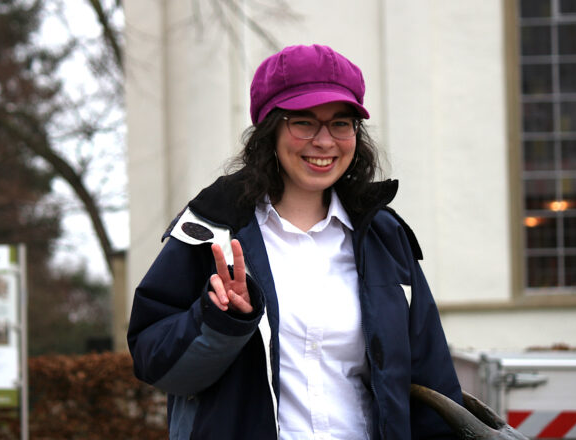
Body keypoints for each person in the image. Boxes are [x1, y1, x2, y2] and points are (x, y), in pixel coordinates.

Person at [127, 44, 463, 439]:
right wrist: (219, 322)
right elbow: (157, 366)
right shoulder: (212, 231)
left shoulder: (384, 239)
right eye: (303, 122)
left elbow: (432, 384)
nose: (324, 141)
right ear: (270, 130)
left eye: (341, 123)